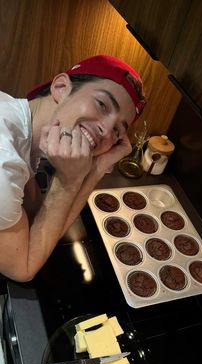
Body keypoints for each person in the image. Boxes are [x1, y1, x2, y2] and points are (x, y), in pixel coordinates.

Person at [0, 54, 146, 282]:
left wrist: (97, 167)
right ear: (60, 87)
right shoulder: (4, 161)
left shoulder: (19, 123)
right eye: (102, 105)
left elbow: (36, 215)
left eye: (118, 130)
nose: (106, 131)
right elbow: (23, 268)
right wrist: (69, 180)